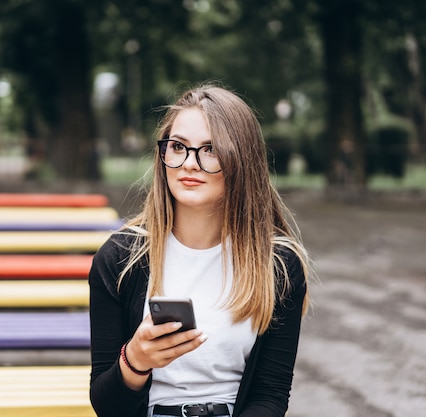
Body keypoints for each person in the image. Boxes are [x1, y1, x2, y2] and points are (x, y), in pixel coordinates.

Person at [88, 83, 311, 417]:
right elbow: (107, 406)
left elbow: (270, 395)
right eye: (178, 146)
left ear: (241, 161)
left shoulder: (277, 263)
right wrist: (135, 361)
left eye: (210, 149)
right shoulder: (120, 258)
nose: (189, 163)